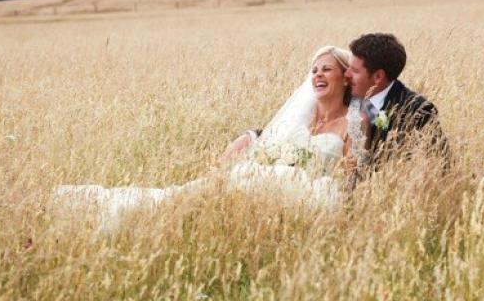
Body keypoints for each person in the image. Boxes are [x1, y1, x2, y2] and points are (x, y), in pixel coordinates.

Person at [53, 46, 370, 232]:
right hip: (267, 183)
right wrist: (258, 152)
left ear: (344, 76)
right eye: (313, 70)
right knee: (183, 198)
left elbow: (348, 177)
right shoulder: (298, 120)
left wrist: (298, 176)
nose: (316, 75)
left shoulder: (354, 122)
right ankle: (98, 208)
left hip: (309, 194)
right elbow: (269, 149)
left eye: (326, 69)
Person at [344, 33, 450, 182]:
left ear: (378, 77)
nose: (346, 74)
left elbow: (441, 163)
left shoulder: (418, 110)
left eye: (354, 71)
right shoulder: (346, 97)